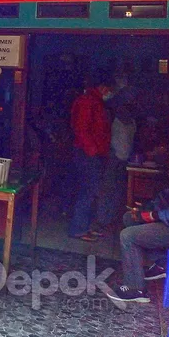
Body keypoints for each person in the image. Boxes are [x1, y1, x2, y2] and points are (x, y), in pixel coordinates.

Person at [106, 185, 169, 303]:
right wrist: (146, 208)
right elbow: (165, 196)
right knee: (130, 218)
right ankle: (161, 262)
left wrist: (153, 215)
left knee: (128, 236)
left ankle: (135, 288)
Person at [68, 72, 112, 241]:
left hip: (94, 153)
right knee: (88, 191)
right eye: (108, 89)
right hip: (87, 153)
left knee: (92, 191)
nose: (109, 92)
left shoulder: (97, 102)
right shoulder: (88, 101)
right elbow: (81, 129)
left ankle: (86, 227)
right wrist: (92, 150)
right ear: (101, 87)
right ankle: (78, 229)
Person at [93, 102, 137, 232]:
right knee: (107, 190)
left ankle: (110, 219)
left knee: (118, 191)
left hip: (125, 160)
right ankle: (101, 220)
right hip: (112, 158)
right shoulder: (111, 118)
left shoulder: (132, 122)